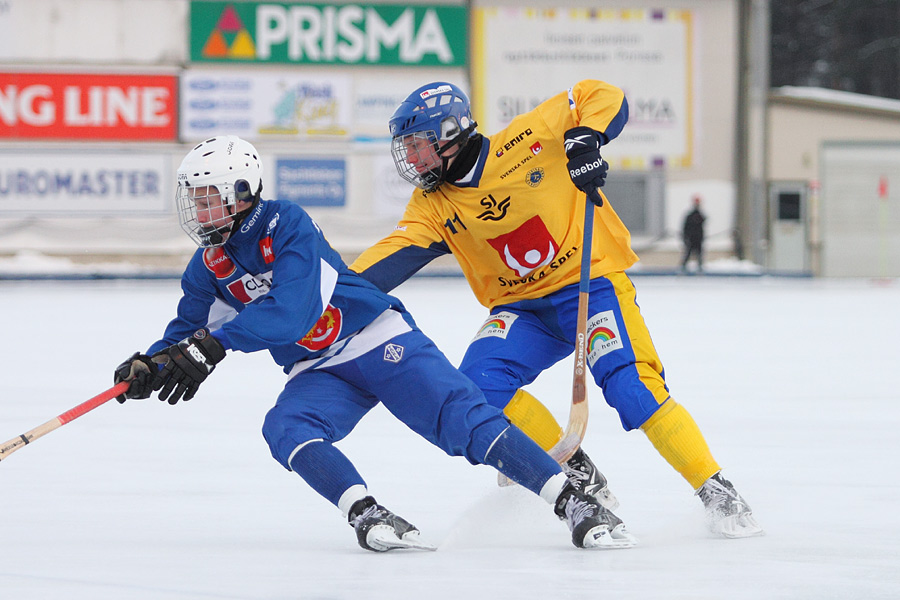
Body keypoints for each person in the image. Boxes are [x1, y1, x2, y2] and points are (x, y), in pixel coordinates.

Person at [111, 135, 638, 552]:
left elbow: (293, 311)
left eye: (207, 200)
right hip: (318, 370)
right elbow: (187, 331)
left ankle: (573, 502)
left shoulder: (286, 223)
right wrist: (152, 365)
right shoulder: (208, 266)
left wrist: (216, 345)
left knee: (464, 423)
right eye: (194, 201)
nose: (197, 212)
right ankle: (366, 513)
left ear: (241, 194)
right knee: (284, 428)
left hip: (373, 337)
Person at [351, 81, 763, 538]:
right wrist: (326, 290)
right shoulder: (432, 204)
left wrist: (586, 136)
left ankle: (714, 486)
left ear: (452, 132)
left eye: (420, 146)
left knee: (632, 386)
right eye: (407, 148)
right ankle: (578, 468)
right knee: (478, 390)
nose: (413, 160)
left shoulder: (531, 135)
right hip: (522, 311)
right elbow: (390, 255)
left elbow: (602, 94)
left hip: (589, 286)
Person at [681, 195, 706, 272]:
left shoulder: (700, 216)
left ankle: (699, 267)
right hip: (691, 239)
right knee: (688, 254)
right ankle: (683, 268)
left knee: (699, 255)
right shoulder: (690, 216)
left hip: (698, 239)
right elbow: (686, 228)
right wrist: (685, 237)